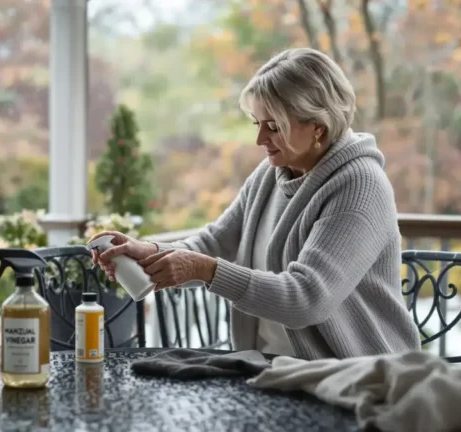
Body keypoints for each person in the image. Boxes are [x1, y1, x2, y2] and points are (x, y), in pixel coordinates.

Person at [90, 47, 420, 359]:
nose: (260, 139)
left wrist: (205, 270)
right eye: (257, 123)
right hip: (273, 371)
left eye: (274, 127)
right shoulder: (272, 173)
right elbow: (216, 242)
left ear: (317, 128)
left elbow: (307, 299)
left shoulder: (359, 187)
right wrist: (150, 251)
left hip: (355, 380)